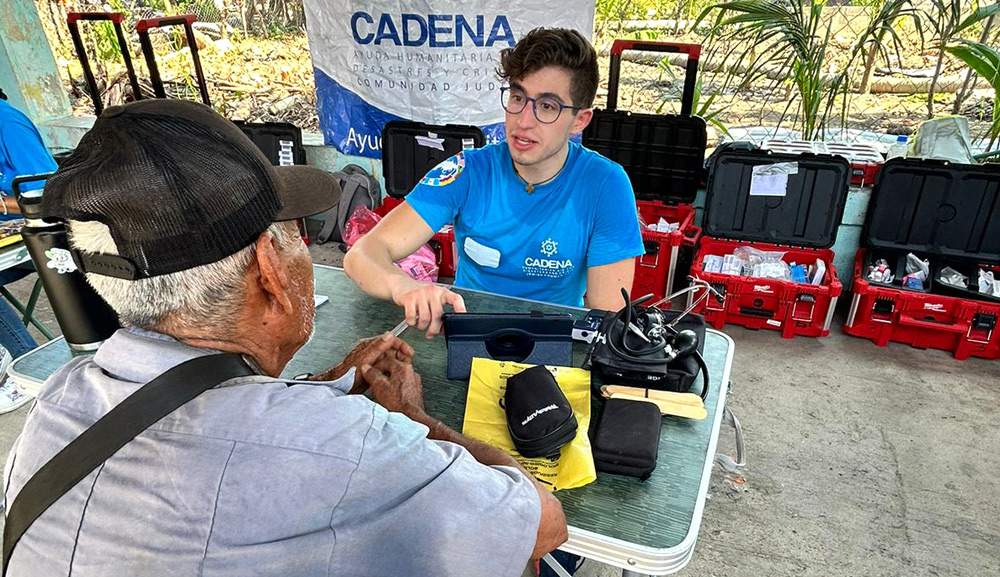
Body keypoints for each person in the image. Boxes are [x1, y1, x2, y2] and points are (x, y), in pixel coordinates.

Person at [3, 99, 566, 576]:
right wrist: (414, 422)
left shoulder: (58, 398)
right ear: (270, 270)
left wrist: (321, 389)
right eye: (297, 235)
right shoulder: (353, 448)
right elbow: (542, 523)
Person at [344, 28, 644, 337]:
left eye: (547, 106)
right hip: (469, 336)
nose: (523, 121)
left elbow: (608, 317)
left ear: (579, 121)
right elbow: (363, 254)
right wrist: (404, 287)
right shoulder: (469, 171)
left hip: (555, 342)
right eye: (517, 97)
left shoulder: (605, 184)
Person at [0, 87, 57, 413]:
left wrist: (3, 204)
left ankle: (24, 367)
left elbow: (47, 193)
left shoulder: (8, 125)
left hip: (39, 236)